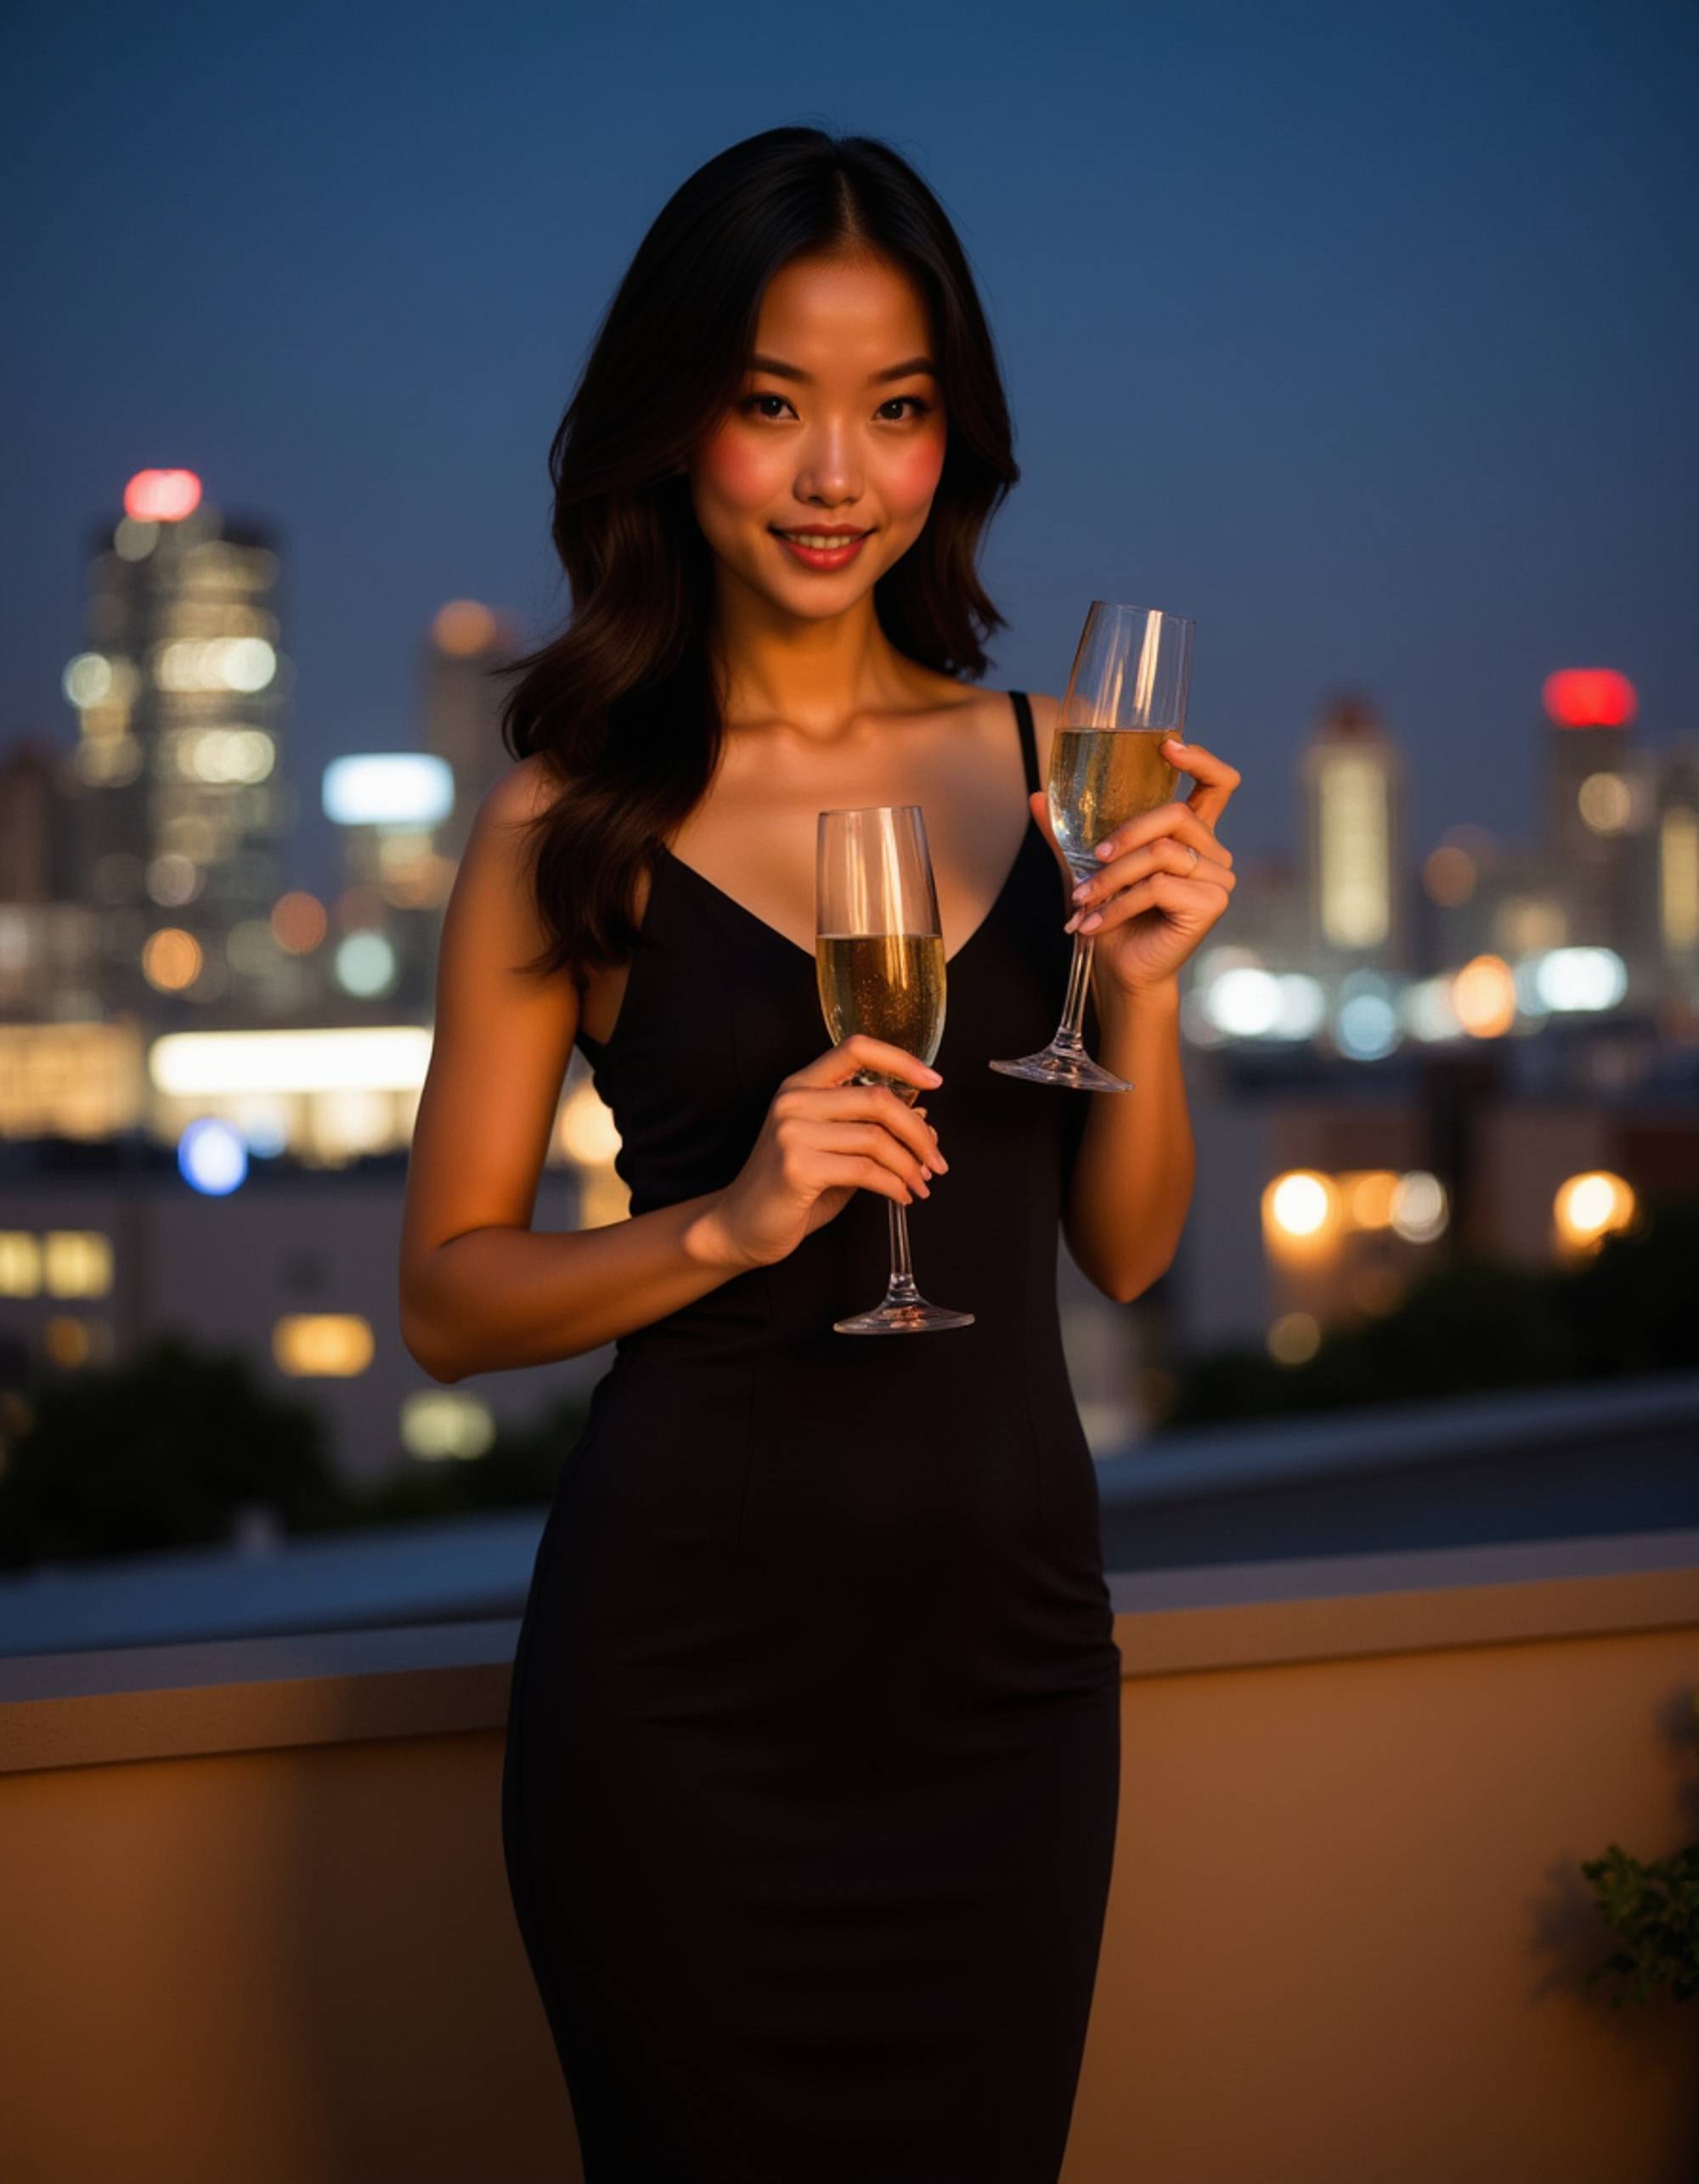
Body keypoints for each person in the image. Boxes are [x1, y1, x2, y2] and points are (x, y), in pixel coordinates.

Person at [399, 125, 1239, 2183]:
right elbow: (445, 1299)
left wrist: (1146, 986)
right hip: (680, 1696)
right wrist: (729, 1219)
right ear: (678, 420)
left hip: (1008, 1678)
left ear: (958, 437)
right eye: (773, 404)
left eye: (897, 408)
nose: (835, 473)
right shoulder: (565, 821)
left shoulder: (1066, 767)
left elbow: (1123, 1255)